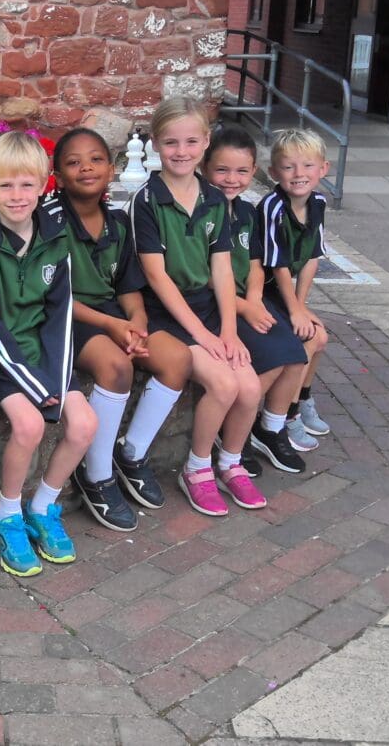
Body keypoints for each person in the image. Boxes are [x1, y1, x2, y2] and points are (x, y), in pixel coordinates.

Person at [130, 98, 273, 519]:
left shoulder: (213, 198)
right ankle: (197, 469)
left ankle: (229, 462)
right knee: (225, 386)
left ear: (206, 143)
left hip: (208, 312)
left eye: (192, 141)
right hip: (167, 315)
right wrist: (204, 337)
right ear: (155, 143)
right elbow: (157, 279)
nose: (181, 150)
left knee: (249, 388)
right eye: (171, 142)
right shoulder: (147, 201)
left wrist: (227, 330)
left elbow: (223, 269)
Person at [45, 128, 192, 532]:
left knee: (178, 358)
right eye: (73, 162)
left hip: (115, 316)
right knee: (116, 367)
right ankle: (96, 473)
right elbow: (54, 298)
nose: (86, 168)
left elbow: (129, 290)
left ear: (112, 168)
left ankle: (133, 453)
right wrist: (115, 326)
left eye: (95, 159)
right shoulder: (49, 222)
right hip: (69, 320)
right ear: (57, 174)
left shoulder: (117, 222)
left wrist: (138, 325)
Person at [0, 132, 98, 577]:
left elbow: (60, 315)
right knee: (27, 425)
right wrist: (33, 385)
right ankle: (8, 516)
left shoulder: (55, 238)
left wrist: (56, 381)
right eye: (6, 186)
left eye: (27, 185)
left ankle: (43, 507)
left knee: (84, 423)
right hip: (0, 358)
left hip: (46, 355)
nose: (17, 196)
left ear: (44, 185)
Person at [204, 125, 312, 475]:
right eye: (221, 170)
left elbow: (253, 265)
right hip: (216, 305)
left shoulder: (247, 213)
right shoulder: (203, 211)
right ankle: (233, 429)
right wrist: (244, 307)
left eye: (241, 171)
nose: (231, 179)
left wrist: (254, 299)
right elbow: (201, 278)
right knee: (270, 358)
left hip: (245, 301)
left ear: (254, 172)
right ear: (205, 168)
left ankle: (270, 427)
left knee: (296, 353)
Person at [258, 128, 334, 447]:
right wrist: (294, 312)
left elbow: (311, 258)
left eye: (307, 166)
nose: (299, 174)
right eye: (289, 167)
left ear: (323, 169)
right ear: (274, 172)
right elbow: (278, 266)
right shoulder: (273, 207)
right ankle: (285, 416)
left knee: (320, 335)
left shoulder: (317, 202)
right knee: (304, 338)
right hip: (263, 290)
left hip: (286, 292)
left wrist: (301, 307)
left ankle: (302, 399)